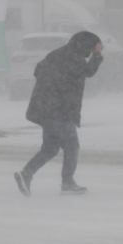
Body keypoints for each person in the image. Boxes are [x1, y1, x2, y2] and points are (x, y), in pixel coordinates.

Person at [14, 31, 104, 196]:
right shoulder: (73, 58)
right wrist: (97, 54)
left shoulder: (57, 54)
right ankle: (67, 183)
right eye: (90, 50)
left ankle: (26, 174)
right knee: (72, 146)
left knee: (50, 149)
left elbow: (37, 70)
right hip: (60, 110)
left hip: (45, 108)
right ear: (85, 46)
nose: (88, 54)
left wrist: (50, 85)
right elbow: (89, 71)